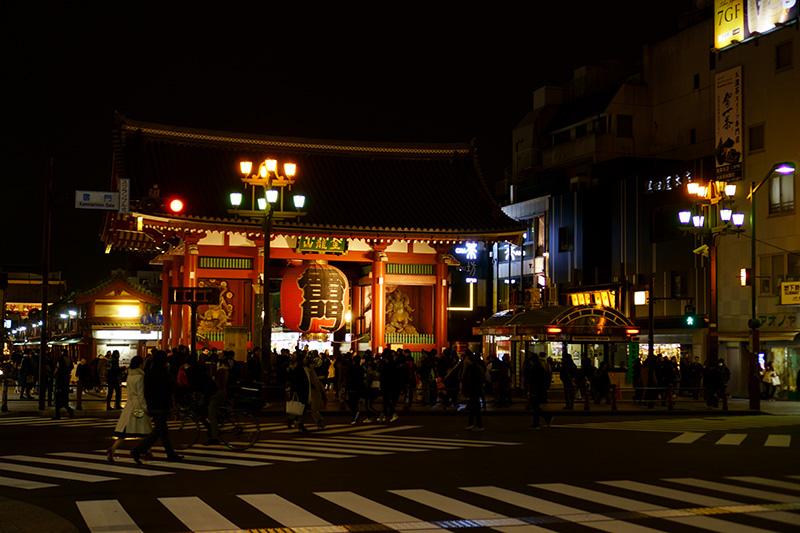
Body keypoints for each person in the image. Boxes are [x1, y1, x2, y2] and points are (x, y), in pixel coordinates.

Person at [131, 350, 183, 463]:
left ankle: (171, 454)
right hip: (162, 404)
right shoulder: (165, 373)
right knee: (158, 430)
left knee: (164, 431)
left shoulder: (148, 373)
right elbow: (175, 386)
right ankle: (138, 450)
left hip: (151, 404)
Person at [107, 355, 151, 462]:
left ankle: (113, 449)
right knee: (145, 429)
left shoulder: (130, 375)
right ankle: (148, 451)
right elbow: (140, 394)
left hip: (129, 405)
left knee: (125, 431)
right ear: (140, 364)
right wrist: (145, 408)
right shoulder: (140, 376)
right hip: (138, 406)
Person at [528, 353, 553, 429]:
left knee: (535, 406)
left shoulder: (535, 367)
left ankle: (546, 417)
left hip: (536, 390)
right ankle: (536, 423)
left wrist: (532, 391)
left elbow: (534, 381)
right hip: (540, 389)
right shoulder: (540, 366)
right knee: (535, 406)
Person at [462, 353, 485, 431]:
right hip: (477, 390)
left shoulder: (471, 369)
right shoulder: (479, 368)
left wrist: (466, 389)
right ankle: (473, 424)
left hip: (473, 390)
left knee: (474, 408)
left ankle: (478, 425)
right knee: (473, 407)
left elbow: (468, 380)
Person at [52, 352, 74, 419]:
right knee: (64, 402)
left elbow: (58, 379)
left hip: (59, 386)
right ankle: (70, 411)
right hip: (65, 386)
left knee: (57, 402)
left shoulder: (60, 372)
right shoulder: (67, 371)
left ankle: (58, 415)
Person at [345, 354, 365, 423]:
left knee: (351, 403)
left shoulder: (352, 368)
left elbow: (347, 376)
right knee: (355, 403)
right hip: (359, 387)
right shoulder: (361, 369)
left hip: (352, 387)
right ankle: (355, 415)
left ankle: (355, 414)